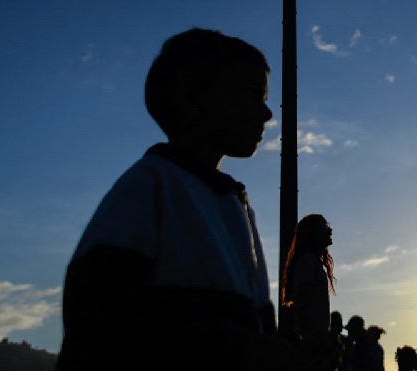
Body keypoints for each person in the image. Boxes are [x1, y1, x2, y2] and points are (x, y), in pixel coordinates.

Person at [57, 28, 292, 370]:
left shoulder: (236, 205)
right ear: (192, 97)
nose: (267, 114)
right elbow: (98, 312)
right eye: (250, 95)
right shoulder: (151, 185)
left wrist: (289, 354)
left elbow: (259, 325)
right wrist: (230, 346)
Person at [281, 213, 336, 341]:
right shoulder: (308, 261)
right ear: (314, 234)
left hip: (315, 336)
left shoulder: (313, 262)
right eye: (324, 226)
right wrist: (307, 334)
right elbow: (304, 299)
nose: (330, 230)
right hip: (313, 338)